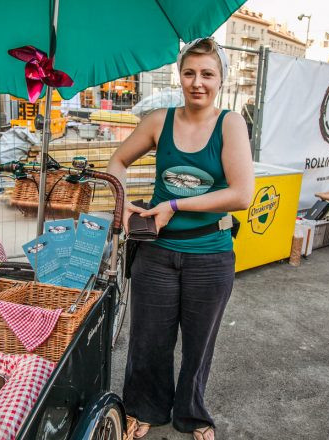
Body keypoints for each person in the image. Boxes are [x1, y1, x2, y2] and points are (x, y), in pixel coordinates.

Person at [107, 38, 254, 440]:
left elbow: (241, 195)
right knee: (148, 340)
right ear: (179, 75)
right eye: (190, 73)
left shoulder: (230, 124)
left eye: (207, 74)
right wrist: (124, 208)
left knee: (198, 344)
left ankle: (192, 415)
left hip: (210, 254)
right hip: (156, 253)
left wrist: (174, 206)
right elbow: (116, 161)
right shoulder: (159, 121)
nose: (197, 82)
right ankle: (143, 408)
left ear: (220, 80)